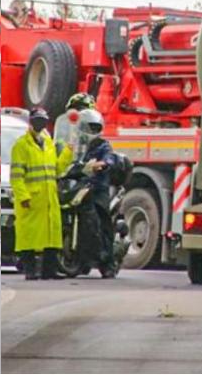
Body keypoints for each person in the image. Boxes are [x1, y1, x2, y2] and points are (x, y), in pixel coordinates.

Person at [9, 108, 63, 280]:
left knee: (51, 236)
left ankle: (49, 271)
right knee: (29, 237)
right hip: (32, 199)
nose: (40, 124)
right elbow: (17, 176)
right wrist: (23, 196)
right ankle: (30, 271)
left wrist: (68, 153)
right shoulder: (21, 145)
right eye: (37, 120)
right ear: (31, 122)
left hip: (48, 198)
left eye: (43, 120)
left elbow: (57, 169)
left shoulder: (48, 144)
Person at [70, 108, 118, 278]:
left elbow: (109, 157)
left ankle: (108, 262)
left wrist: (103, 163)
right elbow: (70, 159)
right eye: (90, 127)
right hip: (79, 186)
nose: (93, 131)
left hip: (97, 188)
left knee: (102, 220)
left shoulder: (103, 145)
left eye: (96, 128)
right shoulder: (76, 144)